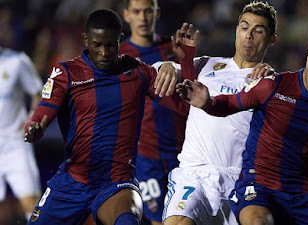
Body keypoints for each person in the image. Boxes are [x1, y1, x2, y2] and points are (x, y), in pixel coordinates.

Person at [177, 28, 308, 225]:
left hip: (302, 194)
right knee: (258, 222)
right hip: (257, 187)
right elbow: (230, 104)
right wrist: (207, 102)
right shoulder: (272, 85)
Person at [24, 9, 188, 225]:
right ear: (85, 40)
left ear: (120, 40)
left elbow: (185, 104)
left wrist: (180, 64)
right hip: (72, 182)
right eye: (97, 44)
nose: (103, 52)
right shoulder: (66, 74)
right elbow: (44, 109)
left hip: (117, 184)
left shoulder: (138, 72)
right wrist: (36, 126)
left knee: (127, 221)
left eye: (110, 45)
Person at [159, 2, 277, 225]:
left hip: (239, 180)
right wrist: (167, 64)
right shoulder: (206, 65)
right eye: (244, 27)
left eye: (258, 30)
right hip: (194, 174)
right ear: (236, 31)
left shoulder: (270, 82)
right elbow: (162, 71)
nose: (249, 35)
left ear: (272, 39)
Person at [119, 1, 189, 224]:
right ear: (127, 15)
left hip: (184, 152)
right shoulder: (119, 56)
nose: (143, 17)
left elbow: (193, 86)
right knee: (159, 220)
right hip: (147, 156)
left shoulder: (175, 48)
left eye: (148, 11)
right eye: (137, 12)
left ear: (157, 13)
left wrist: (185, 60)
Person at [0, 46, 42, 222]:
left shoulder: (17, 61)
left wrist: (32, 115)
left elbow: (38, 92)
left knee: (32, 204)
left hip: (15, 145)